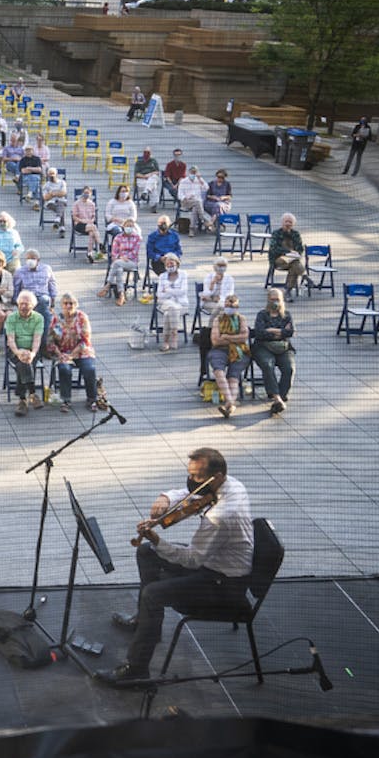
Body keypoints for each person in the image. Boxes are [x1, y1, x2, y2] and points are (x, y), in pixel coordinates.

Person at [101, 448, 253, 685]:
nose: (191, 480)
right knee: (146, 552)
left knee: (152, 594)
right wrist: (166, 498)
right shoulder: (231, 484)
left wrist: (157, 540)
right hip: (214, 563)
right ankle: (146, 622)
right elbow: (190, 494)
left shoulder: (220, 516)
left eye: (197, 476)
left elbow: (192, 559)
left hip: (223, 583)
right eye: (190, 474)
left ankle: (137, 670)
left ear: (218, 476)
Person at [50, 293, 100, 413]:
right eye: (65, 303)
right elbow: (50, 340)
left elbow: (85, 340)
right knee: (64, 369)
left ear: (76, 305)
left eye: (71, 303)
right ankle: (66, 400)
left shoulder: (82, 317)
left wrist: (72, 355)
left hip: (82, 351)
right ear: (61, 305)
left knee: (89, 369)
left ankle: (92, 399)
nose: (68, 306)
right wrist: (60, 354)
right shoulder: (57, 319)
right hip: (63, 351)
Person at [251, 288, 295, 415]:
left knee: (289, 368)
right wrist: (280, 331)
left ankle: (281, 396)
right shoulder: (262, 314)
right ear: (268, 300)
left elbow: (290, 332)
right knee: (267, 364)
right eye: (272, 299)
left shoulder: (286, 315)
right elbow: (259, 332)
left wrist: (271, 330)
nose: (275, 302)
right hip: (263, 346)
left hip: (283, 347)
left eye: (278, 299)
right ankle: (276, 397)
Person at [207, 294, 250, 418]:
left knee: (233, 376)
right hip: (219, 350)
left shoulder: (241, 319)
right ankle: (231, 402)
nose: (229, 307)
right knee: (218, 371)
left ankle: (229, 404)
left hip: (239, 350)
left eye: (232, 305)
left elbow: (244, 337)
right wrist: (235, 339)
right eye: (227, 305)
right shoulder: (218, 320)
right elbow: (215, 341)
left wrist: (226, 337)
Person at [7, 291, 46, 417]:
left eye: (26, 304)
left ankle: (22, 400)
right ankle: (32, 394)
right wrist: (18, 353)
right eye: (21, 304)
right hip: (15, 350)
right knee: (23, 363)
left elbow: (37, 339)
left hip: (31, 350)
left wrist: (33, 353)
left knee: (24, 364)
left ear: (33, 306)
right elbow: (11, 339)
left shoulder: (39, 318)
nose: (23, 307)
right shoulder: (11, 318)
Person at [101, 219, 142, 306]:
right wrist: (120, 257)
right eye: (127, 226)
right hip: (119, 260)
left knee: (116, 264)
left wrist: (126, 257)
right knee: (118, 269)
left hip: (132, 261)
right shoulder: (118, 237)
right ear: (123, 227)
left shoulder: (137, 238)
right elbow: (114, 252)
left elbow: (135, 252)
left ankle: (108, 285)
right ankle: (121, 295)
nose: (129, 228)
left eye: (131, 226)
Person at [155, 254, 188, 353]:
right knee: (172, 307)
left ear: (177, 264)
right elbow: (159, 294)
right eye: (167, 264)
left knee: (168, 313)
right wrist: (174, 291)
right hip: (165, 303)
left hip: (181, 304)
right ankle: (174, 333)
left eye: (172, 263)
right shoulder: (162, 276)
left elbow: (183, 291)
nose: (170, 266)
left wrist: (168, 290)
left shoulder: (183, 275)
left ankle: (166, 341)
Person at [268, 213, 305, 295]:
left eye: (290, 222)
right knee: (295, 263)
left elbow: (300, 248)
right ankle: (305, 276)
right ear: (282, 222)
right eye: (286, 221)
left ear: (293, 224)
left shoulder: (296, 234)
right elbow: (274, 248)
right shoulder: (276, 233)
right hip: (278, 260)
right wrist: (288, 252)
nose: (288, 224)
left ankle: (287, 290)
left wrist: (297, 253)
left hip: (292, 259)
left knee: (294, 265)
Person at [176, 165, 208, 232]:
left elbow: (206, 188)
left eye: (195, 172)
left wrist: (200, 179)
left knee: (195, 208)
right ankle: (203, 219)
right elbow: (179, 194)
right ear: (189, 172)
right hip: (186, 202)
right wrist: (185, 198)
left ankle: (191, 229)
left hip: (196, 203)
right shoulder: (183, 181)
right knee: (198, 202)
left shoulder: (199, 180)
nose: (193, 174)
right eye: (192, 172)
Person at [41, 168, 68, 235]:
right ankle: (61, 226)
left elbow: (64, 193)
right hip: (50, 203)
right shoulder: (46, 185)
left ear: (56, 174)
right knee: (61, 209)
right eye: (50, 174)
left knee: (60, 204)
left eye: (53, 174)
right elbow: (45, 198)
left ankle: (58, 221)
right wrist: (57, 193)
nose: (51, 176)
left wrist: (52, 194)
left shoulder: (62, 182)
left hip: (61, 201)